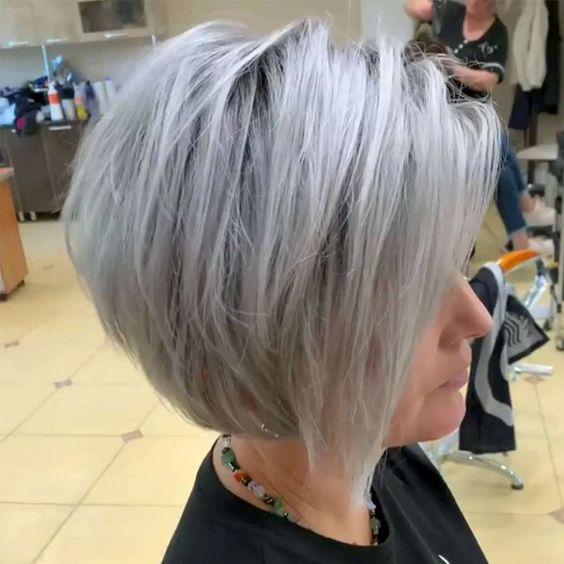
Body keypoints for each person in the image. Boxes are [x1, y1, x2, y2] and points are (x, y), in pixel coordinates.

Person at [63, 21, 499, 563]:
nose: (478, 317)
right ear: (261, 325)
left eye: (457, 260)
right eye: (414, 290)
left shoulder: (375, 450)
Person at [405, 0, 555, 254]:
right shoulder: (449, 11)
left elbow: (489, 80)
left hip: (465, 119)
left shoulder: (497, 34)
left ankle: (521, 237)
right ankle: (527, 210)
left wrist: (453, 69)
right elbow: (412, 7)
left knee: (499, 164)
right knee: (494, 137)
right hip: (446, 125)